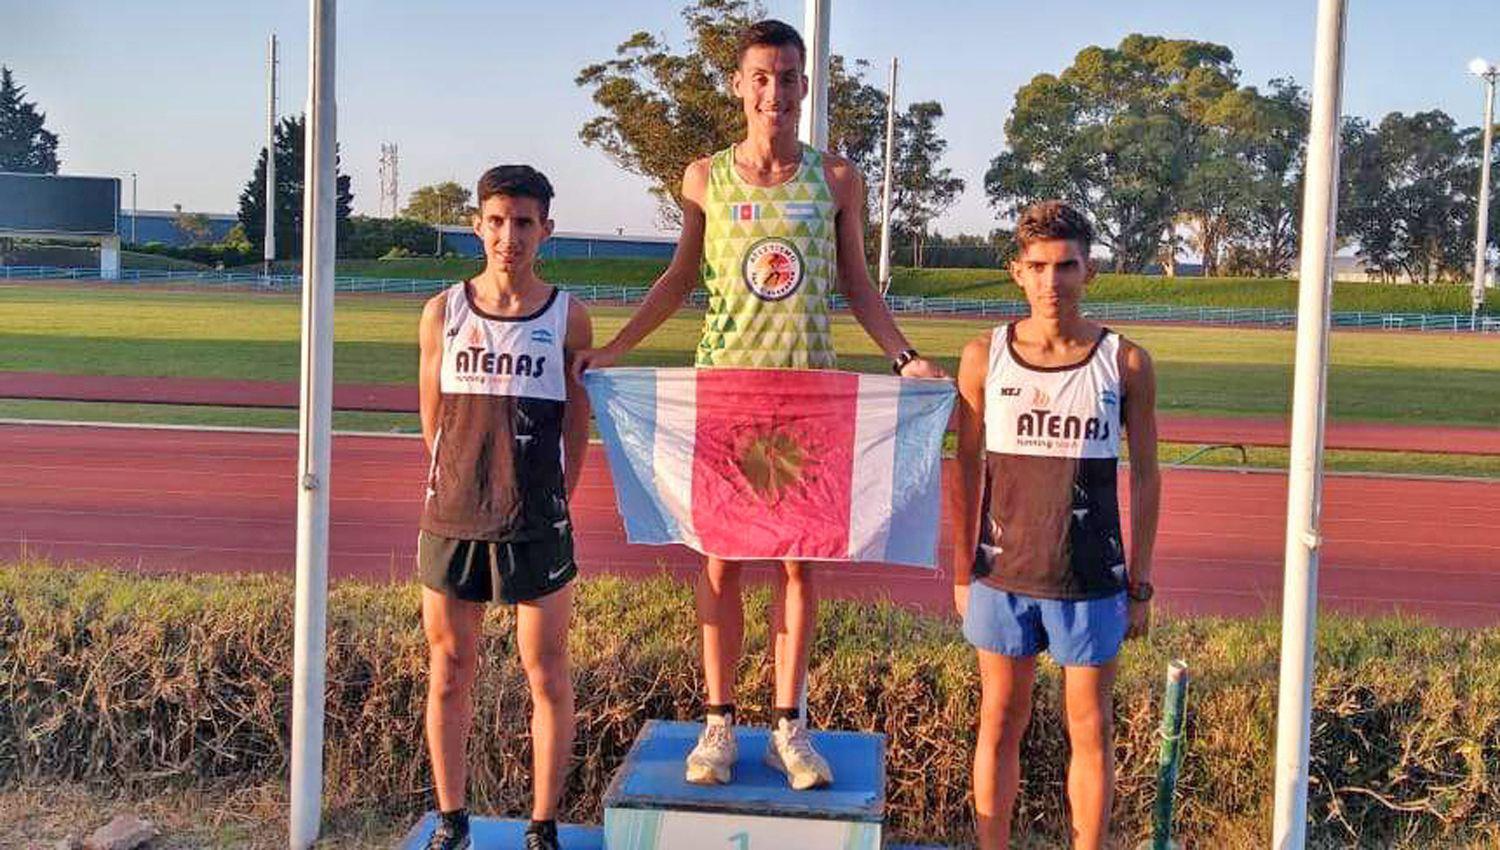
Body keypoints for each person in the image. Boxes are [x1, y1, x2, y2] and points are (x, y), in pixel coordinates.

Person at [573, 18, 943, 790]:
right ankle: (718, 725)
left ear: (805, 88)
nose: (774, 91)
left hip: (809, 395)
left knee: (800, 566)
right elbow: (679, 278)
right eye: (761, 77)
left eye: (788, 77)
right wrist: (613, 352)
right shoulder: (705, 177)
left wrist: (904, 357)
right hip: (726, 396)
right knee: (719, 563)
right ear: (740, 86)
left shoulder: (835, 179)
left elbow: (855, 285)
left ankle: (789, 726)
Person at [951, 201, 1160, 849]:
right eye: (1038, 267)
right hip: (1002, 575)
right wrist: (962, 571)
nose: (1051, 282)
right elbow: (963, 472)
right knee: (998, 722)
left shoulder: (1125, 363)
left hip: (1092, 580)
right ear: (1016, 271)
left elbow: (1148, 475)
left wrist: (1142, 583)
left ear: (1087, 270)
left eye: (1065, 266)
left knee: (1090, 729)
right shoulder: (984, 357)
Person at [417, 165, 592, 850]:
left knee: (545, 671)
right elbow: (434, 421)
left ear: (544, 229)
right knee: (451, 668)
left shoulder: (568, 315)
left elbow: (577, 429)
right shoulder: (443, 312)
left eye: (523, 223)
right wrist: (464, 481)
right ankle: (452, 819)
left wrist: (549, 500)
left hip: (536, 522)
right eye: (496, 221)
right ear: (477, 225)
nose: (509, 236)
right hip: (454, 516)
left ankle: (542, 824)